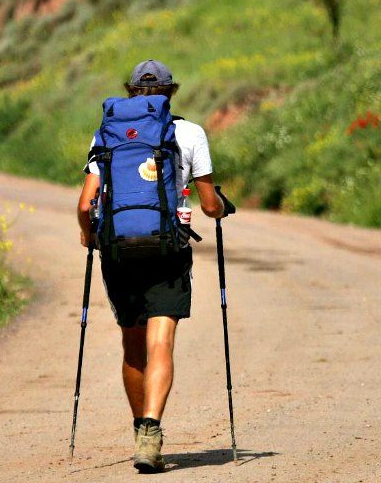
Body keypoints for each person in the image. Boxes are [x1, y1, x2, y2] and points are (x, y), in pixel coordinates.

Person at [77, 60, 226, 473]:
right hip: (167, 250)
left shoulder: (107, 132)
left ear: (130, 93)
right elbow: (210, 204)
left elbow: (86, 204)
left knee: (132, 345)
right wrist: (220, 208)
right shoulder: (190, 133)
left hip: (119, 251)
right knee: (161, 342)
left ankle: (138, 427)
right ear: (169, 92)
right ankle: (152, 430)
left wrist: (90, 237)